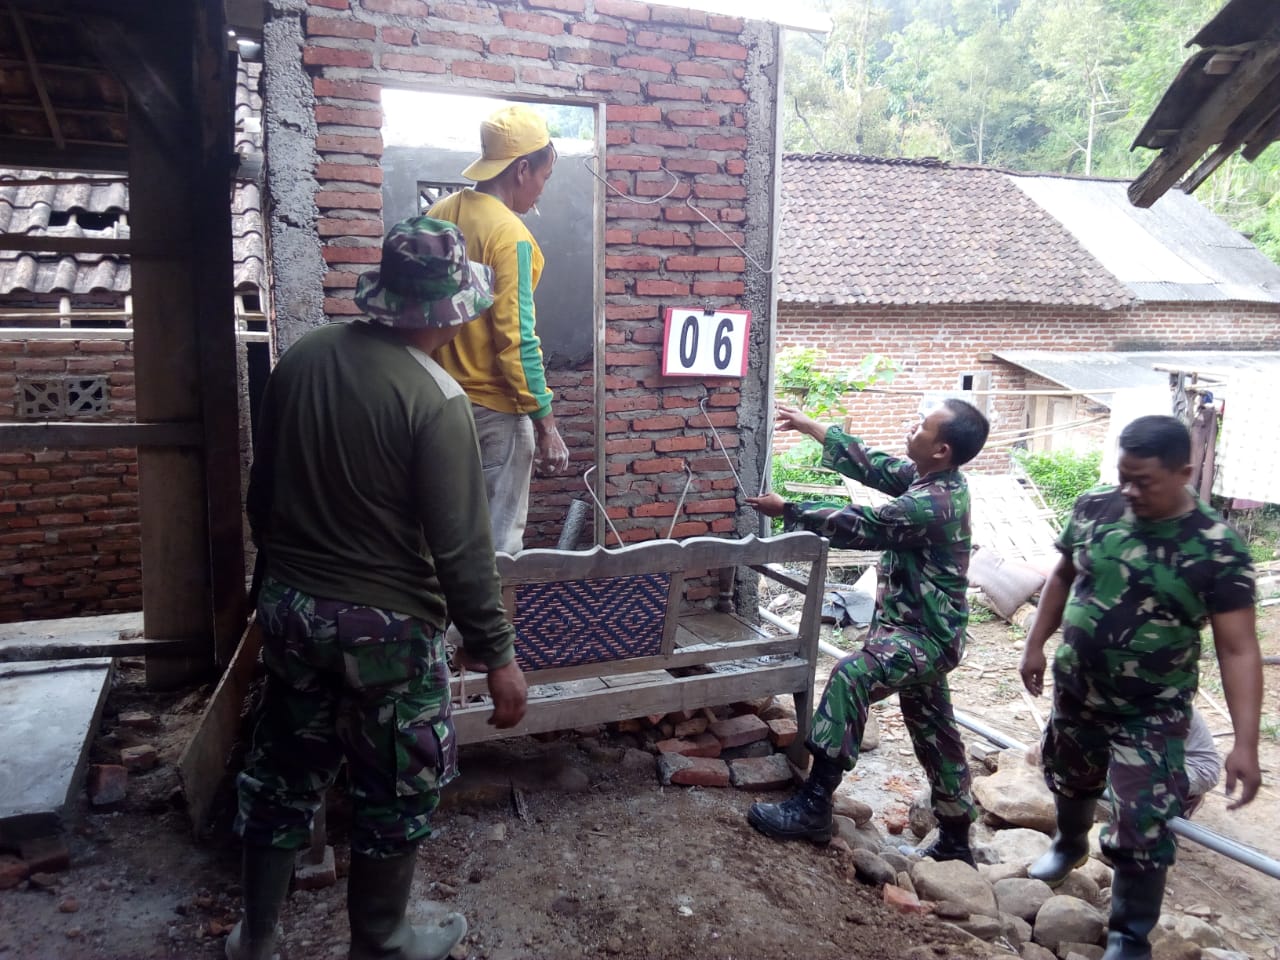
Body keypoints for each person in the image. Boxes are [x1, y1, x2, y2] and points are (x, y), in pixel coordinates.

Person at [231, 217, 529, 960]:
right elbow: (464, 552)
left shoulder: (302, 357)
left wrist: (284, 591)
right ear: (455, 310)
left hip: (292, 611)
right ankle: (382, 939)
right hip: (387, 632)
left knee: (282, 773)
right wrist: (498, 654)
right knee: (395, 785)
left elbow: (260, 495)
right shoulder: (436, 399)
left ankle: (257, 938)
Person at [1020, 415, 1262, 960]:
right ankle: (1068, 842)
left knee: (1142, 821)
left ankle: (1129, 936)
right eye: (1122, 476)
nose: (1129, 491)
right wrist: (1034, 644)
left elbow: (1239, 649)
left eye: (1144, 481)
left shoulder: (1216, 549)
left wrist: (1244, 742)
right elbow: (1063, 575)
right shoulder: (1094, 507)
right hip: (1077, 691)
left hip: (1151, 710)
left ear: (1184, 472)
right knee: (1070, 777)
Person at [744, 398, 991, 865]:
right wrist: (813, 427)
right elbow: (876, 466)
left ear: (941, 449)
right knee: (934, 728)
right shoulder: (931, 479)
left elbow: (865, 525)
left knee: (851, 676)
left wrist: (789, 508)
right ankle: (957, 838)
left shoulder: (932, 503)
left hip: (924, 638)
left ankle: (815, 804)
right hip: (922, 631)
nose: (911, 427)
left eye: (921, 426)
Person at [426, 104, 568, 554]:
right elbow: (516, 340)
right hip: (494, 413)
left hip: (436, 402)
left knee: (440, 538)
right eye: (544, 179)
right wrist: (545, 424)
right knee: (496, 549)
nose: (540, 193)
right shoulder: (511, 236)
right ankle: (483, 628)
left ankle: (436, 624)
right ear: (522, 168)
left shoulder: (439, 211)